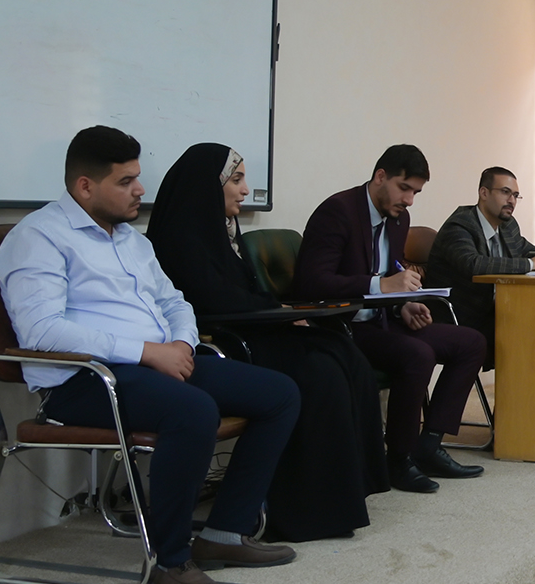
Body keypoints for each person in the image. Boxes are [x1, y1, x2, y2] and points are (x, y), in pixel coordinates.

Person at [0, 126, 302, 584]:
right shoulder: (38, 237)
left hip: (155, 363)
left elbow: (175, 302)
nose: (140, 189)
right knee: (193, 411)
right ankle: (170, 558)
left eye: (137, 177)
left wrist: (179, 344)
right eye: (126, 181)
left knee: (279, 394)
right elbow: (42, 332)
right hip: (83, 380)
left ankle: (225, 533)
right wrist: (146, 352)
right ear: (85, 187)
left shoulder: (131, 241)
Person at [145, 143, 389, 542]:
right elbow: (210, 299)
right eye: (236, 180)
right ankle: (305, 509)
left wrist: (279, 311)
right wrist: (275, 313)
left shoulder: (223, 232)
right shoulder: (181, 236)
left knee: (343, 351)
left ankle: (347, 492)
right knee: (319, 371)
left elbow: (245, 291)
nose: (245, 190)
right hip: (225, 339)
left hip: (252, 328)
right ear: (209, 186)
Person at [293, 145, 487, 493]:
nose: (409, 200)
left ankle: (429, 445)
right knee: (417, 354)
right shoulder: (337, 212)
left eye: (415, 192)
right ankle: (398, 459)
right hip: (343, 326)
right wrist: (380, 286)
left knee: (471, 342)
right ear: (380, 177)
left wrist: (402, 305)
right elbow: (312, 282)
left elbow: (390, 274)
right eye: (404, 188)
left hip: (382, 320)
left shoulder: (399, 219)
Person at [423, 166, 535, 361]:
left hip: (492, 311)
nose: (512, 201)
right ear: (484, 193)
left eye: (515, 195)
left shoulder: (508, 225)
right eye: (505, 192)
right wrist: (532, 264)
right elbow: (474, 264)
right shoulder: (459, 226)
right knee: (528, 333)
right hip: (457, 315)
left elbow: (526, 249)